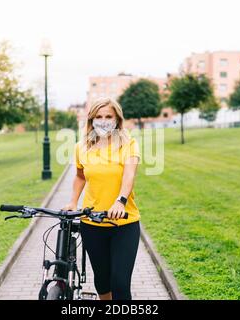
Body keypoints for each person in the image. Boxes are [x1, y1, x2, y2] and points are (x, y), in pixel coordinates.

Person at [62, 97, 141, 300]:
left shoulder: (129, 145)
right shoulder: (81, 147)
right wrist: (73, 201)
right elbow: (80, 176)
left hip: (124, 223)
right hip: (92, 223)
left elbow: (129, 176)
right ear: (91, 119)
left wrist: (120, 201)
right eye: (98, 116)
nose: (103, 120)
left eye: (108, 116)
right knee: (102, 280)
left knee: (120, 283)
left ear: (117, 119)